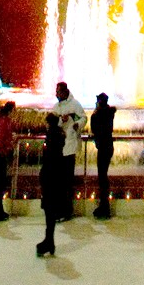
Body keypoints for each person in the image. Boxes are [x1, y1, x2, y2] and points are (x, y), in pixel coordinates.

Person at [50, 81, 86, 220]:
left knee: (66, 180)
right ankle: (58, 209)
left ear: (65, 92)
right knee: (58, 181)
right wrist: (60, 120)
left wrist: (77, 124)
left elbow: (83, 117)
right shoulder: (56, 107)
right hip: (58, 148)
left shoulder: (75, 104)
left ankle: (66, 211)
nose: (56, 94)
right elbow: (51, 123)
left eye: (58, 92)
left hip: (70, 147)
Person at [38, 113, 65, 257]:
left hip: (50, 177)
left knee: (49, 210)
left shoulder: (51, 137)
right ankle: (49, 240)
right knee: (51, 210)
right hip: (57, 176)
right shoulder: (60, 135)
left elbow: (48, 159)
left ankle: (49, 241)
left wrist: (42, 176)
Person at [91, 92, 116, 219]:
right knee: (103, 176)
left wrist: (95, 112)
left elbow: (94, 128)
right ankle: (104, 205)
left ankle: (104, 207)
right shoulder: (109, 113)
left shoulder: (99, 114)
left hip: (103, 147)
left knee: (102, 177)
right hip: (108, 146)